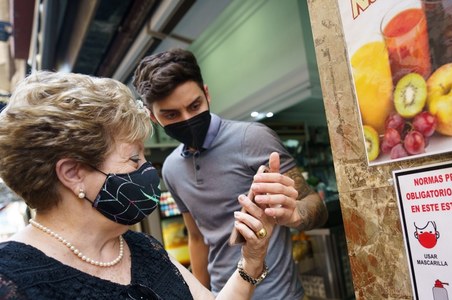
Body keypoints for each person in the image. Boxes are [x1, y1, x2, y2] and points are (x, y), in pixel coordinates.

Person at [0, 71, 274, 299]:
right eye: (133, 158)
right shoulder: (12, 280)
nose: (147, 169)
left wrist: (251, 260)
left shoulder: (142, 248)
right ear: (73, 173)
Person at [133, 48, 328, 299]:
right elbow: (197, 238)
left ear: (207, 94)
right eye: (171, 114)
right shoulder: (170, 169)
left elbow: (316, 206)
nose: (188, 118)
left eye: (194, 106)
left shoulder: (253, 138)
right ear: (153, 118)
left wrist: (296, 215)